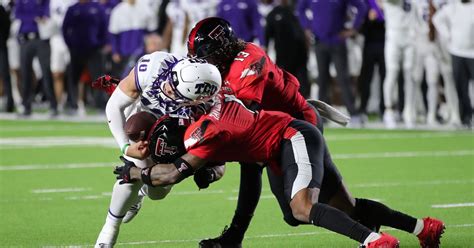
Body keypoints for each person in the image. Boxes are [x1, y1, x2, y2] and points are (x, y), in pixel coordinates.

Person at [113, 71, 445, 248]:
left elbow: (172, 175)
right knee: (338, 208)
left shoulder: (208, 127)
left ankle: (374, 242)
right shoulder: (219, 95)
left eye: (177, 90)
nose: (171, 95)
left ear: (197, 95)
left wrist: (135, 173)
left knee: (302, 208)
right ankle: (422, 228)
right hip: (283, 144)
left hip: (291, 138)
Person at [186, 17, 323, 247]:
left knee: (306, 206)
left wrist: (208, 162)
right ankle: (234, 237)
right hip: (275, 127)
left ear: (223, 48)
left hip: (299, 127)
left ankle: (366, 229)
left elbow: (238, 125)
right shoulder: (222, 67)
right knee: (293, 216)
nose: (203, 61)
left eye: (207, 54)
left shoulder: (248, 62)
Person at [94, 55, 225, 247]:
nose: (167, 88)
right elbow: (114, 105)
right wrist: (126, 147)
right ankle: (109, 229)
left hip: (178, 135)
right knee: (134, 170)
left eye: (174, 92)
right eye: (172, 81)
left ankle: (139, 195)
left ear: (197, 100)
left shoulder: (210, 111)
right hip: (142, 118)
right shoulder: (155, 65)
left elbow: (221, 159)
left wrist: (211, 173)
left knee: (157, 192)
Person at [296, 0, 367, 123]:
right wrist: (307, 27)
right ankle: (322, 116)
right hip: (319, 42)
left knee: (343, 78)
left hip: (337, 41)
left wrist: (354, 28)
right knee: (322, 79)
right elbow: (300, 9)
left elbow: (361, 6)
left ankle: (353, 113)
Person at [433, 0, 474, 128]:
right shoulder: (453, 7)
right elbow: (436, 19)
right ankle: (466, 117)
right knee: (460, 87)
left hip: (472, 53)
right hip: (456, 51)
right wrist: (448, 35)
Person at [62, 0, 108, 114]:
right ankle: (72, 105)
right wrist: (70, 44)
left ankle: (101, 105)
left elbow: (104, 26)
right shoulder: (73, 8)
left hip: (94, 50)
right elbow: (65, 28)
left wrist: (100, 43)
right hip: (76, 49)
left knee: (98, 78)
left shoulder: (97, 7)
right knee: (73, 77)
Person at [15, 0, 58, 117]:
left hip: (41, 39)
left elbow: (46, 14)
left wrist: (32, 16)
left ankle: (53, 105)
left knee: (46, 72)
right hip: (25, 40)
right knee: (25, 74)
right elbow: (17, 14)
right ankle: (26, 106)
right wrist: (35, 16)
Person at [379, 0, 416, 129]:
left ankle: (409, 111)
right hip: (393, 35)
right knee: (392, 73)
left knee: (410, 75)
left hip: (410, 35)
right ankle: (389, 110)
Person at [265, 0, 311, 98]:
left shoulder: (298, 10)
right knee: (285, 83)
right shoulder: (273, 14)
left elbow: (306, 30)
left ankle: (306, 105)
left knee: (303, 82)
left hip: (300, 55)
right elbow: (267, 35)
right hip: (282, 56)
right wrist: (265, 48)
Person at [108, 0, 157, 78]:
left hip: (142, 53)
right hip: (124, 52)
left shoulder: (145, 9)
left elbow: (151, 32)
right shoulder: (117, 10)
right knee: (124, 77)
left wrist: (151, 46)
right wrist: (115, 52)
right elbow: (114, 34)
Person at [357, 0, 386, 120]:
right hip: (369, 46)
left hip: (385, 46)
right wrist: (369, 20)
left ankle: (384, 109)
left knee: (385, 79)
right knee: (365, 79)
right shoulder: (367, 4)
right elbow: (361, 29)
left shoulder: (390, 4)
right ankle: (363, 109)